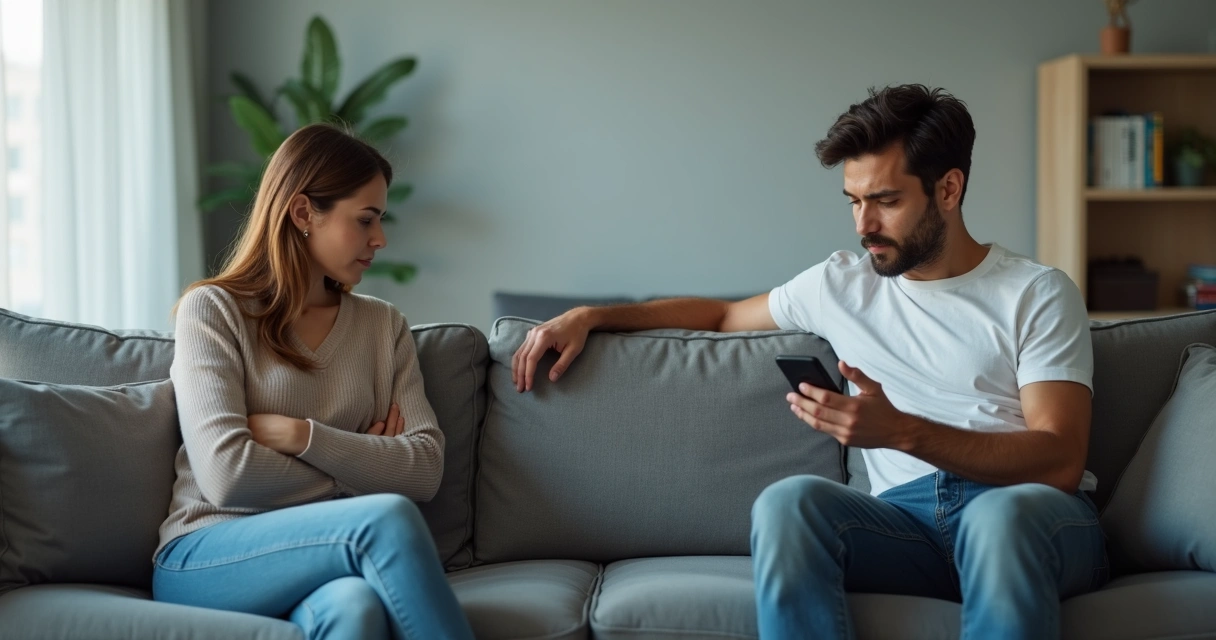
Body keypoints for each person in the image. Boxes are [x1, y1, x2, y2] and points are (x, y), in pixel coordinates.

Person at [511, 85, 1106, 640]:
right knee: (787, 502)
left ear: (948, 190)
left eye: (886, 201)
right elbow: (721, 316)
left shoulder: (1035, 292)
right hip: (909, 524)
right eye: (853, 201)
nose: (864, 226)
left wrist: (899, 430)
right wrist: (594, 315)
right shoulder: (841, 286)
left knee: (997, 524)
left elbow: (1057, 458)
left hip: (1029, 517)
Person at [153, 123, 474, 640]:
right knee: (384, 519)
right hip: (205, 553)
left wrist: (301, 437)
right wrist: (363, 463)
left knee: (355, 609)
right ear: (304, 213)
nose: (381, 239)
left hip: (315, 558)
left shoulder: (383, 326)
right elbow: (226, 475)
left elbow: (425, 469)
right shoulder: (213, 311)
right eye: (365, 220)